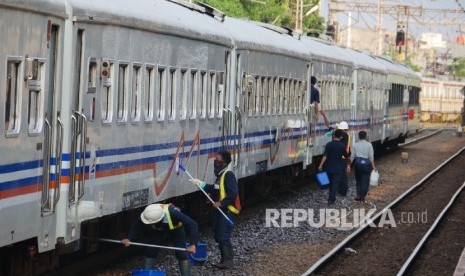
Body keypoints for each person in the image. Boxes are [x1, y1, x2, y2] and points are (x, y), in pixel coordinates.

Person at [191, 150, 240, 269]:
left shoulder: (228, 175)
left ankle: (228, 261)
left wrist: (221, 203)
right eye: (216, 160)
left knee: (223, 235)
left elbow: (233, 193)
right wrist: (201, 184)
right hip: (221, 211)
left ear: (225, 162)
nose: (216, 162)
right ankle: (224, 260)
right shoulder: (220, 176)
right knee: (218, 234)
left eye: (219, 161)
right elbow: (216, 188)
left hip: (227, 211)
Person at [121, 203, 198, 276]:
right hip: (157, 230)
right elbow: (137, 224)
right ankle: (146, 273)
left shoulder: (173, 213)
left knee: (181, 254)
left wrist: (193, 244)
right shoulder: (148, 214)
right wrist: (129, 238)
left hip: (176, 229)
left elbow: (193, 224)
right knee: (151, 251)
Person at [320, 110, 351, 197]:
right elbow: (347, 150)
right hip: (343, 158)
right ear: (346, 129)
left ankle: (333, 191)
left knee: (333, 174)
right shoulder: (346, 135)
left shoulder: (336, 133)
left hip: (334, 158)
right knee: (342, 176)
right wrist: (349, 163)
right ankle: (342, 192)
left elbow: (328, 125)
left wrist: (324, 116)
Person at [318, 129, 351, 205]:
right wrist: (348, 164)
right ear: (341, 137)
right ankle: (331, 200)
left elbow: (325, 156)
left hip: (328, 168)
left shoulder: (329, 144)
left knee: (330, 184)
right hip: (338, 168)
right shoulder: (342, 146)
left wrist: (321, 165)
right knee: (335, 184)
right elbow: (346, 156)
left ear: (334, 135)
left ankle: (330, 198)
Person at [350, 131, 377, 202]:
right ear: (365, 136)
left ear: (359, 137)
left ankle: (359, 195)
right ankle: (363, 196)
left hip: (358, 164)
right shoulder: (369, 145)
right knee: (365, 179)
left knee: (358, 180)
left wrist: (348, 165)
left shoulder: (355, 145)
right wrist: (373, 167)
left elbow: (352, 156)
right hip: (367, 164)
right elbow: (371, 157)